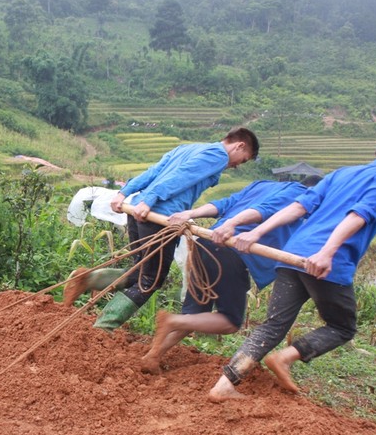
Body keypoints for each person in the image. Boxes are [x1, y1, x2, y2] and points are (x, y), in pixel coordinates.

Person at [208, 131, 376, 402]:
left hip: (292, 254)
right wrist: (326, 252)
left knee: (273, 325)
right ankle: (285, 358)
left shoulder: (342, 173)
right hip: (326, 262)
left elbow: (299, 206)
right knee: (342, 327)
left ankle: (224, 385)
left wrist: (256, 233)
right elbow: (359, 215)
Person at [63, 127, 259, 331]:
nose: (237, 165)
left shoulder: (187, 149)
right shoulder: (218, 156)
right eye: (243, 159)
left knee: (139, 271)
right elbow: (181, 177)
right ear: (239, 145)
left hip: (138, 210)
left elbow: (154, 171)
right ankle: (103, 327)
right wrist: (149, 200)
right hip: (158, 217)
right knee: (150, 280)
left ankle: (88, 279)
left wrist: (124, 193)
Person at [140, 176, 322, 374]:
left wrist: (191, 213)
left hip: (206, 244)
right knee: (230, 322)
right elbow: (264, 210)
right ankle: (172, 321)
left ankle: (152, 356)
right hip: (232, 252)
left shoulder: (261, 185)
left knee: (194, 315)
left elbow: (224, 203)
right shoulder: (300, 194)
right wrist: (233, 224)